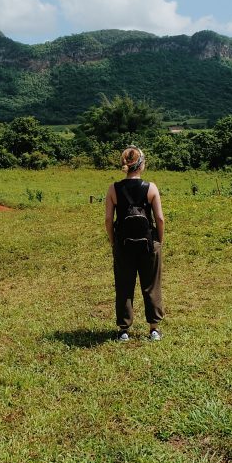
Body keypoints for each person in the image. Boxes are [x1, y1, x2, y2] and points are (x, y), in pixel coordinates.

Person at [104, 146, 165, 342]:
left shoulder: (113, 188)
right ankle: (154, 329)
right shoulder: (151, 188)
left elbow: (107, 220)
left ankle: (123, 330)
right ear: (142, 164)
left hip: (123, 244)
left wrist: (114, 242)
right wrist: (159, 241)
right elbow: (160, 218)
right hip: (148, 244)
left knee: (124, 286)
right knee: (151, 285)